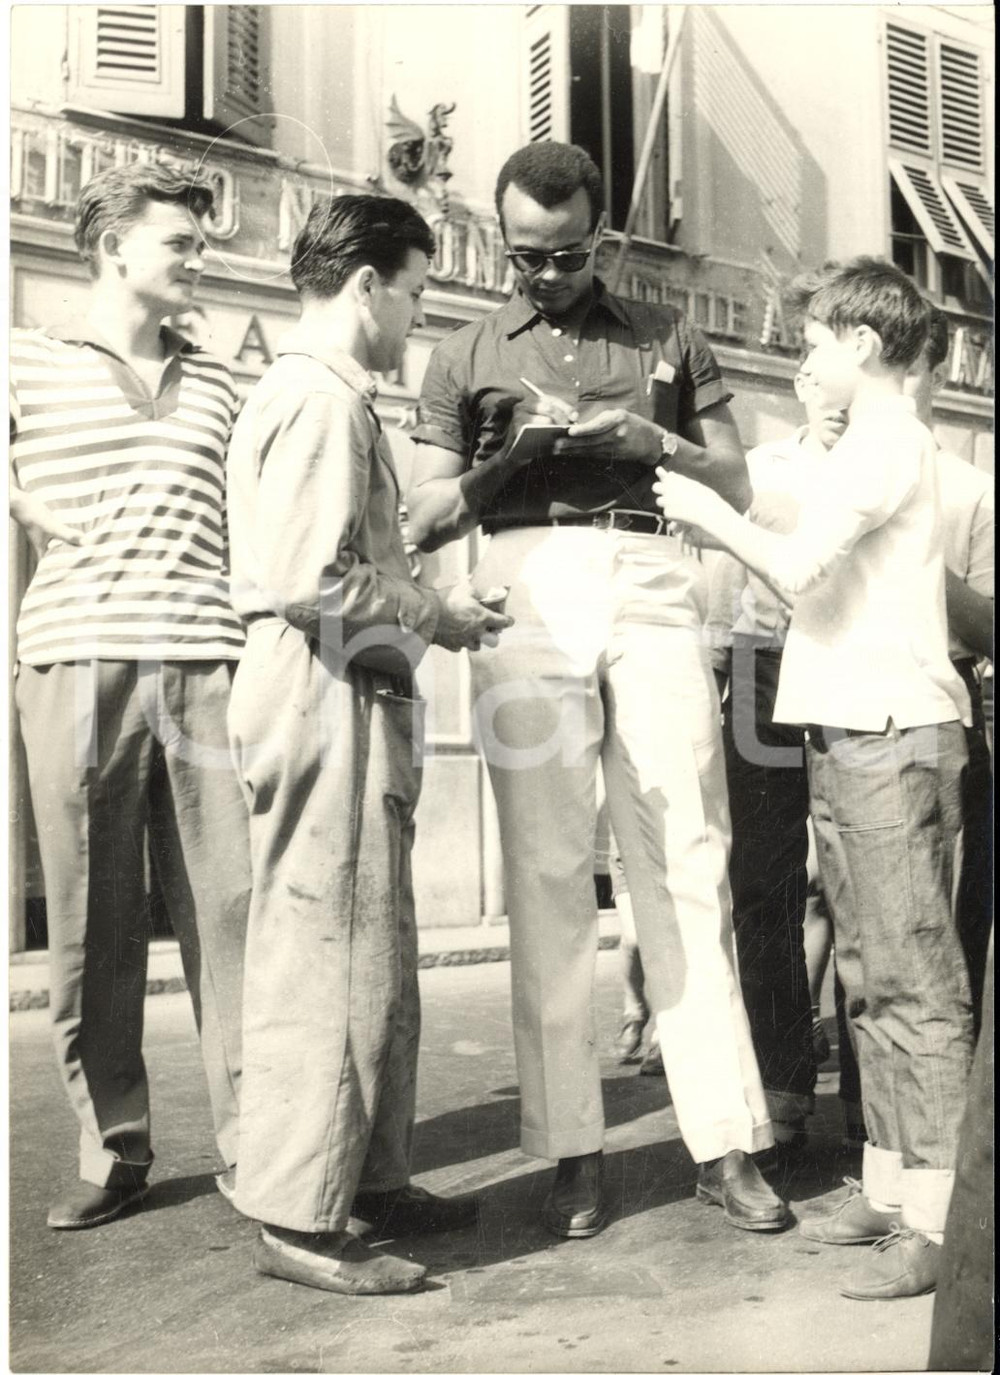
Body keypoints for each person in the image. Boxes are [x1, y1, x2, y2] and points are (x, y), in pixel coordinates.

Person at [408, 140, 789, 1241]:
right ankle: (570, 1148)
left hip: (654, 573)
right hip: (524, 574)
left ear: (603, 240)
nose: (543, 274)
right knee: (545, 868)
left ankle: (724, 1141)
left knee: (688, 857)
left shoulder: (667, 332)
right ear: (501, 237)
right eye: (524, 256)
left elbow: (738, 478)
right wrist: (512, 456)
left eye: (566, 254)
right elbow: (428, 515)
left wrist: (650, 435)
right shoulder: (463, 349)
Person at [654, 257, 975, 1300]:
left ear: (864, 348)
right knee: (871, 979)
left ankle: (936, 1219)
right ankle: (888, 1186)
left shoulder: (886, 444)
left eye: (815, 344)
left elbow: (794, 572)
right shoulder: (863, 446)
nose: (804, 361)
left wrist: (707, 518)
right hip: (849, 726)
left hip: (890, 731)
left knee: (915, 985)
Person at [225, 193, 511, 1296]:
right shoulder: (319, 401)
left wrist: (432, 607)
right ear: (364, 287)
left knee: (371, 950)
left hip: (342, 682)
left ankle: (370, 1176)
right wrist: (437, 615)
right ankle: (300, 1217)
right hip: (321, 687)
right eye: (415, 292)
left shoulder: (324, 399)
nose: (416, 317)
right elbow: (310, 580)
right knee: (326, 952)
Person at [9, 163, 250, 1229]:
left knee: (234, 913)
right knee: (93, 924)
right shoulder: (25, 359)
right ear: (114, 250)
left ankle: (265, 1148)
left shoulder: (222, 385)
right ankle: (114, 1150)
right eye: (181, 244)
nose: (200, 259)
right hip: (76, 659)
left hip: (208, 662)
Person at [706, 365, 847, 1157]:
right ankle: (785, 1077)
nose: (836, 401)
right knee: (766, 881)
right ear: (800, 382)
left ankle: (871, 1105)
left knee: (857, 884)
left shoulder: (888, 462)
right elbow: (721, 598)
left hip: (854, 661)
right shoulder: (762, 470)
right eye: (821, 381)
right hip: (765, 668)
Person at [903, 307, 993, 1032]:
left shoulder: (968, 488)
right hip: (841, 687)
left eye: (911, 373)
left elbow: (991, 626)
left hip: (946, 687)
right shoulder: (825, 473)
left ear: (935, 373)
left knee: (954, 898)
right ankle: (868, 1112)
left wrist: (918, 550)